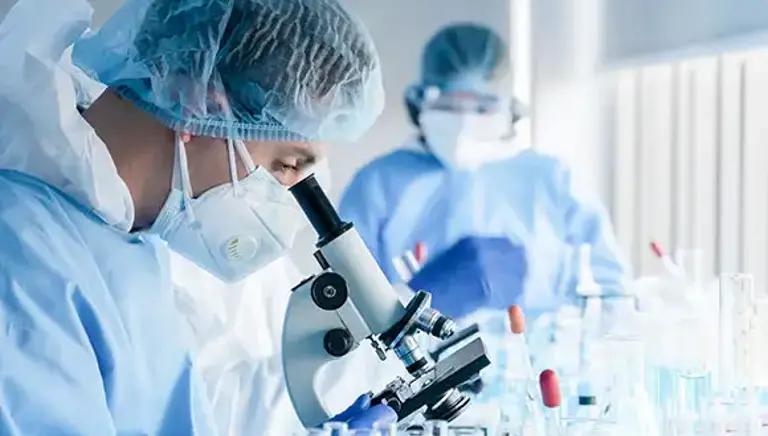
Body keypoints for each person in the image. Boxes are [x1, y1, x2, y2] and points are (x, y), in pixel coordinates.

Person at [0, 0, 396, 433]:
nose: (285, 199)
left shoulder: (132, 246)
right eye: (285, 166)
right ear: (197, 104)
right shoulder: (20, 258)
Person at [339, 23, 629, 321]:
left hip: (537, 351)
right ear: (419, 101)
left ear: (510, 109)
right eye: (448, 105)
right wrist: (418, 298)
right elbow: (345, 311)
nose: (464, 121)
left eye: (482, 107)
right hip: (415, 351)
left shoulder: (552, 180)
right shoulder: (377, 185)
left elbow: (613, 298)